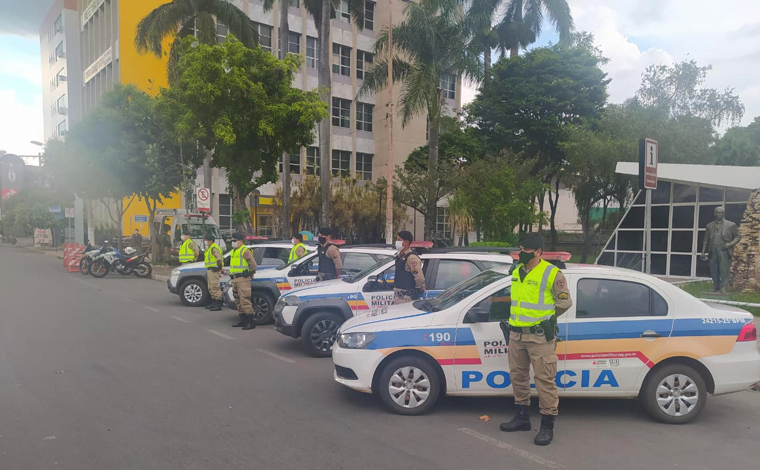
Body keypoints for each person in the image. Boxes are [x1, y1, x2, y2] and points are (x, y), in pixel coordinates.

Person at [500, 233, 572, 447]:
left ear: (538, 252)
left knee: (544, 380)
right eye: (519, 248)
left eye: (525, 249)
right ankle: (522, 418)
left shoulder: (552, 273)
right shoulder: (516, 271)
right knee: (518, 376)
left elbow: (564, 302)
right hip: (516, 334)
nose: (520, 253)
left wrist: (545, 321)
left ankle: (547, 425)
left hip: (540, 336)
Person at [701, 206, 740, 294]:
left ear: (724, 214)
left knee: (724, 270)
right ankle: (716, 286)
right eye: (718, 212)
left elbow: (738, 237)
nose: (720, 214)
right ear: (715, 214)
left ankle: (723, 287)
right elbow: (706, 240)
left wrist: (730, 244)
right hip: (713, 250)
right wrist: (703, 252)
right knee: (714, 269)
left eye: (721, 213)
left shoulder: (731, 225)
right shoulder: (709, 225)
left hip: (724, 250)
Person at [229, 232, 258, 330]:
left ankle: (250, 322)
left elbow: (253, 264)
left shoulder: (245, 251)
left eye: (234, 240)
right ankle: (243, 320)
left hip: (243, 279)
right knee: (238, 300)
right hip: (235, 279)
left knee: (244, 299)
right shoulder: (234, 251)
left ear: (240, 241)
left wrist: (250, 273)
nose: (232, 242)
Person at [393, 230, 425, 304]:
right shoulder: (401, 256)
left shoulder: (411, 258)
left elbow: (419, 278)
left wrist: (418, 288)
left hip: (406, 298)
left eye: (399, 240)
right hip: (399, 297)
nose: (397, 242)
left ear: (406, 242)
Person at [203, 232, 224, 312]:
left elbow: (219, 260)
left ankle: (218, 304)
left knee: (215, 287)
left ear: (211, 240)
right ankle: (214, 302)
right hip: (210, 270)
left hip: (214, 270)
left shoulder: (214, 248)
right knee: (210, 287)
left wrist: (220, 268)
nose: (205, 241)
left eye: (207, 240)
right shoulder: (209, 248)